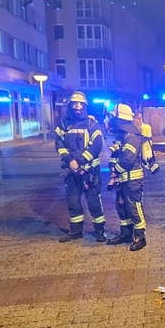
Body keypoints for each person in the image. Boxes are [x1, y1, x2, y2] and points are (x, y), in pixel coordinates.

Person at [55, 91, 106, 242]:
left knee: (94, 202)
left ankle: (100, 232)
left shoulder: (92, 123)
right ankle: (76, 231)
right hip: (72, 170)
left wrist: (80, 161)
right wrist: (69, 159)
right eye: (75, 106)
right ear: (70, 106)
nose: (78, 109)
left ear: (85, 107)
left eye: (80, 106)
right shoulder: (64, 124)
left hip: (90, 172)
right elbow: (59, 144)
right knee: (73, 201)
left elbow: (96, 145)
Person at [106, 104, 147, 251]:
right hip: (122, 179)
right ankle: (126, 233)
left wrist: (115, 170)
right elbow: (115, 154)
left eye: (113, 117)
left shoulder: (130, 137)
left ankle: (140, 237)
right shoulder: (122, 135)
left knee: (134, 207)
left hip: (132, 180)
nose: (111, 119)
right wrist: (112, 166)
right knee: (122, 207)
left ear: (120, 118)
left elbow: (128, 159)